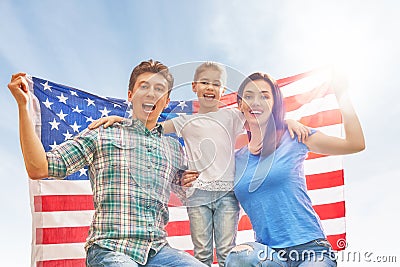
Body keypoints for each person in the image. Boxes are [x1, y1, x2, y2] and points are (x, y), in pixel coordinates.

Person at [89, 62, 309, 267]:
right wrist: (123, 122)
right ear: (194, 86)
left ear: (223, 90)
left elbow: (261, 117)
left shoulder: (232, 115)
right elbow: (149, 127)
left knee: (226, 251)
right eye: (204, 82)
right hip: (198, 195)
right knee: (202, 252)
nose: (210, 87)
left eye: (216, 84)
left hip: (226, 193)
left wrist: (286, 121)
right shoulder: (184, 121)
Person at [7, 60, 207, 267]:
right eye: (144, 86)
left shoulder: (174, 148)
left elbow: (190, 195)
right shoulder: (102, 133)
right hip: (110, 249)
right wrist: (23, 107)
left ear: (166, 101)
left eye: (159, 89)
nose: (151, 93)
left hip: (157, 250)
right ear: (130, 95)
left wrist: (190, 184)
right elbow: (39, 168)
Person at [222, 70, 365, 267]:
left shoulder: (294, 136)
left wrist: (343, 95)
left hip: (310, 251)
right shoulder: (234, 159)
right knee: (239, 257)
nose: (256, 102)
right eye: (248, 96)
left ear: (274, 104)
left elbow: (354, 144)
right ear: (240, 104)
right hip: (268, 256)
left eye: (264, 96)